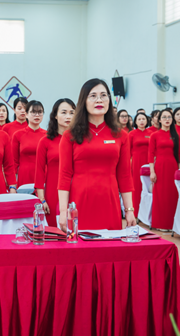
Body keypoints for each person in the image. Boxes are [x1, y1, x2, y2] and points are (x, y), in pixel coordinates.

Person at [57, 79, 135, 231]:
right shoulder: (70, 135)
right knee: (80, 243)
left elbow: (125, 175)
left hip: (110, 202)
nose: (99, 100)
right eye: (93, 96)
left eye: (103, 95)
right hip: (80, 202)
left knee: (110, 244)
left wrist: (129, 210)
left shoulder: (121, 136)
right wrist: (63, 211)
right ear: (84, 101)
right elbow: (64, 175)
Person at [35, 98, 75, 228]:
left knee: (76, 229)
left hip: (76, 189)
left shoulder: (80, 141)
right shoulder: (45, 141)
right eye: (64, 112)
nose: (68, 116)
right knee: (55, 230)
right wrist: (42, 199)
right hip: (53, 191)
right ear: (55, 116)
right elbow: (39, 172)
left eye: (72, 113)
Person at [148, 108, 180, 231]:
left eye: (169, 117)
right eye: (164, 117)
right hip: (160, 167)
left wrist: (179, 170)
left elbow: (178, 154)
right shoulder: (154, 135)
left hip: (172, 166)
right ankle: (160, 223)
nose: (167, 119)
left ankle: (171, 224)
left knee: (172, 194)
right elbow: (150, 154)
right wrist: (152, 171)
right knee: (160, 195)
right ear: (159, 120)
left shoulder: (175, 135)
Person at [11, 100, 46, 187]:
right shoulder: (18, 135)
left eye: (40, 112)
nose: (37, 115)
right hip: (25, 176)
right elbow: (14, 162)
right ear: (26, 114)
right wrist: (12, 184)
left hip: (44, 176)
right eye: (33, 112)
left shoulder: (48, 135)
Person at [128, 112, 151, 219]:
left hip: (149, 162)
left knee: (149, 188)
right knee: (137, 187)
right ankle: (136, 214)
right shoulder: (131, 134)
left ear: (147, 121)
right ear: (135, 122)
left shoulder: (151, 133)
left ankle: (148, 215)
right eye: (139, 119)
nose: (142, 121)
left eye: (143, 119)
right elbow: (127, 151)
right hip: (136, 162)